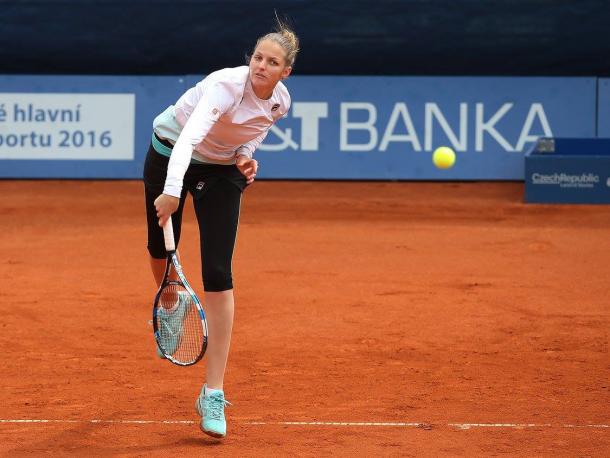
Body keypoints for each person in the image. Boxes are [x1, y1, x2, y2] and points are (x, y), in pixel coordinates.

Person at [143, 17, 299, 438]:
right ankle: (172, 302)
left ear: (285, 71)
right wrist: (171, 191)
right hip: (171, 152)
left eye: (272, 62)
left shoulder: (280, 102)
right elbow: (189, 139)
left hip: (221, 171)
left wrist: (246, 155)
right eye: (258, 57)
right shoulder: (225, 86)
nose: (261, 66)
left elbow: (255, 131)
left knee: (219, 274)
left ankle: (212, 392)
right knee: (160, 249)